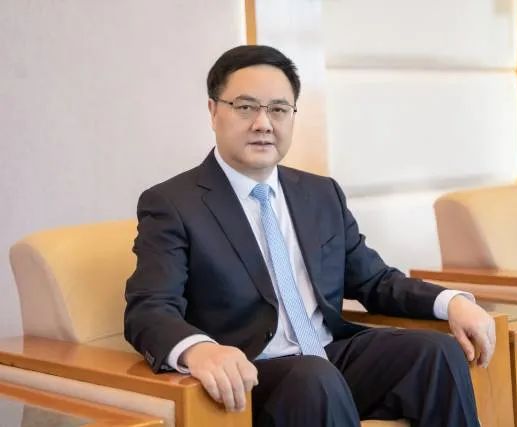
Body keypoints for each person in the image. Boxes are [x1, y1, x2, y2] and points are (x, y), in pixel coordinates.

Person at [124, 45, 495, 427]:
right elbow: (149, 309)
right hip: (251, 379)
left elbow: (375, 281)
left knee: (437, 352)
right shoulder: (173, 203)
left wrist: (451, 302)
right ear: (213, 111)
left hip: (326, 359)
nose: (263, 123)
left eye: (279, 109)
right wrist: (200, 351)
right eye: (246, 107)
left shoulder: (320, 194)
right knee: (314, 378)